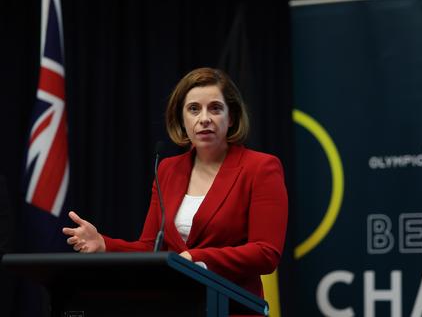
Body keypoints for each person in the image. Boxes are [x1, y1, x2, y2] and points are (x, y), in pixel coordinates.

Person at [62, 67, 288, 299]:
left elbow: (265, 253)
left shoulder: (261, 168)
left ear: (231, 118)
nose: (204, 119)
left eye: (215, 108)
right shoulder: (168, 169)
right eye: (193, 109)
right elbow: (152, 247)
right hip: (177, 304)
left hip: (232, 306)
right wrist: (104, 244)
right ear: (182, 118)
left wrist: (196, 258)